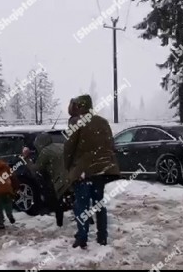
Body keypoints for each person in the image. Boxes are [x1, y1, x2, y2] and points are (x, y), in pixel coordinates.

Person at [64, 94, 121, 249]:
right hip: (101, 171)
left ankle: (82, 238)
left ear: (79, 106)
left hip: (84, 172)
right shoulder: (102, 122)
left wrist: (68, 168)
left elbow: (69, 149)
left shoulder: (77, 122)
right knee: (99, 204)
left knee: (82, 205)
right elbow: (111, 145)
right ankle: (102, 237)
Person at [22, 133, 69, 227]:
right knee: (77, 200)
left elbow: (36, 168)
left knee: (58, 201)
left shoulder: (45, 152)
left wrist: (27, 158)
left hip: (59, 180)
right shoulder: (62, 145)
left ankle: (59, 223)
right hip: (72, 175)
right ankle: (87, 219)